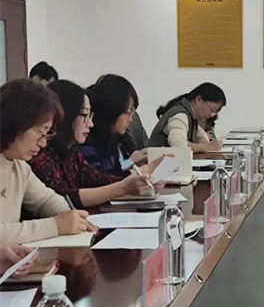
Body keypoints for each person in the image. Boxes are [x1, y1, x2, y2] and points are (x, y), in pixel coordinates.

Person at [29, 81, 161, 208]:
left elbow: (99, 179)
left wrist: (139, 183)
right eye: (85, 115)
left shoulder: (72, 153)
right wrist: (134, 178)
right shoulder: (40, 155)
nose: (90, 124)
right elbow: (67, 198)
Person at [0, 79, 96, 244]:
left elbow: (45, 199)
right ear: (17, 122)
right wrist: (55, 226)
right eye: (41, 131)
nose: (43, 143)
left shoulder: (19, 166)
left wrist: (68, 214)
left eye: (48, 133)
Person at [81, 74, 152, 176]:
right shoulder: (86, 143)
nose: (130, 119)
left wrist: (134, 162)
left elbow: (116, 172)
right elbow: (104, 180)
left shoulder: (114, 137)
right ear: (113, 110)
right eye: (129, 112)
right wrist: (146, 168)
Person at [149, 83, 226, 152]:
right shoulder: (180, 115)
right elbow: (179, 146)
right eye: (212, 110)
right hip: (158, 162)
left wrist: (202, 142)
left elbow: (203, 135)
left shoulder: (191, 116)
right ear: (199, 100)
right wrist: (206, 147)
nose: (211, 115)